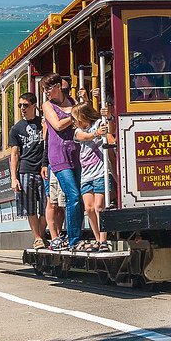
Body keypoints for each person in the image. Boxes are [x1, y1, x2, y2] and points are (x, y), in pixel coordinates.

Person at [42, 72, 83, 251]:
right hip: (59, 156)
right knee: (72, 195)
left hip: (77, 153)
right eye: (44, 89)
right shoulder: (47, 105)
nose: (46, 93)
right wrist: (75, 117)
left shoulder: (73, 102)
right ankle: (74, 239)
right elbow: (57, 125)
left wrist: (86, 103)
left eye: (48, 89)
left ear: (58, 87)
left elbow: (86, 119)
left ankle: (76, 236)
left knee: (79, 197)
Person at [71, 100, 114, 252]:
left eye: (76, 118)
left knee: (99, 206)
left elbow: (110, 131)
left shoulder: (98, 123)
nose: (74, 122)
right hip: (86, 175)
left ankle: (103, 240)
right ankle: (97, 238)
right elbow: (84, 137)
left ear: (83, 117)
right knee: (89, 208)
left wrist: (108, 117)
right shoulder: (77, 132)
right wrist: (96, 133)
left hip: (100, 172)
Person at [8, 92, 47, 248]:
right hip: (25, 170)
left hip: (43, 169)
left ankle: (42, 235)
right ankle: (37, 237)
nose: (22, 108)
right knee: (29, 207)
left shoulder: (43, 123)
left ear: (34, 105)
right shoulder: (16, 128)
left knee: (47, 205)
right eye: (20, 105)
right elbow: (15, 153)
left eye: (25, 105)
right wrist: (13, 177)